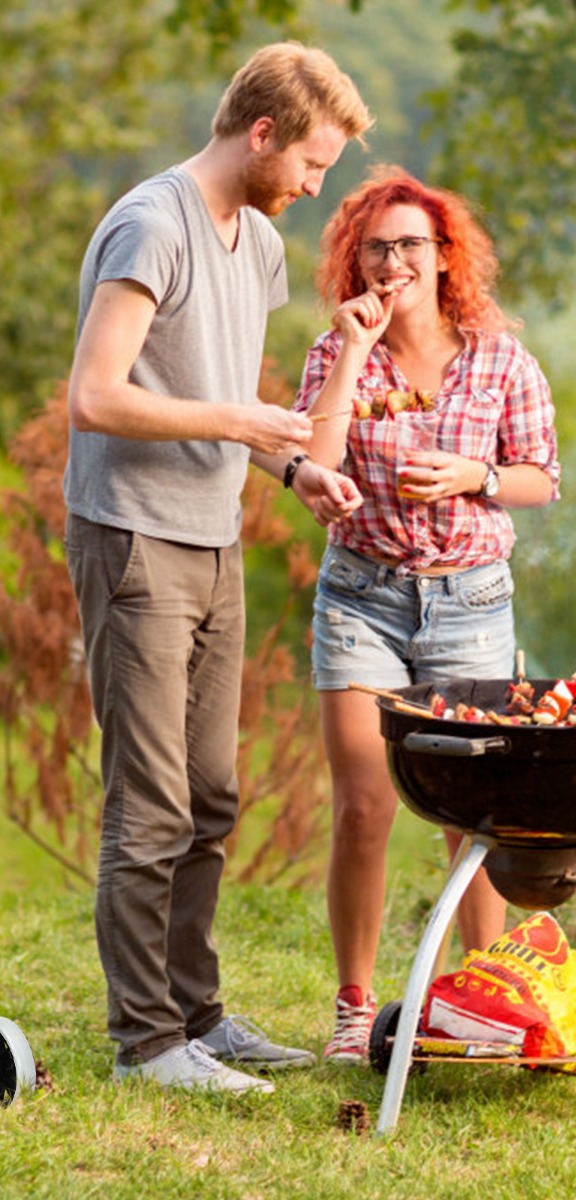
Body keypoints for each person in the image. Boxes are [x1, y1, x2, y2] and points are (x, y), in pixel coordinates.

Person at [63, 42, 372, 1094]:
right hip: (133, 534)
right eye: (312, 164)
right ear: (262, 133)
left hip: (213, 535)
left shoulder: (261, 246)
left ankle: (198, 1016)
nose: (314, 187)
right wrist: (241, 419)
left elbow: (222, 394)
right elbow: (96, 396)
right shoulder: (154, 223)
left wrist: (287, 470)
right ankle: (146, 1042)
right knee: (148, 800)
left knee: (210, 794)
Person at [294, 168, 560, 1064]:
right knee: (365, 804)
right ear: (356, 260)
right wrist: (352, 353)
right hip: (362, 595)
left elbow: (540, 478)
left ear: (444, 256)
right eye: (378, 247)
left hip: (472, 600)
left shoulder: (499, 357)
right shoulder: (337, 350)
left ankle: (477, 1005)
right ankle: (354, 1007)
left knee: (474, 816)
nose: (395, 260)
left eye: (412, 244)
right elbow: (313, 463)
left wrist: (472, 476)